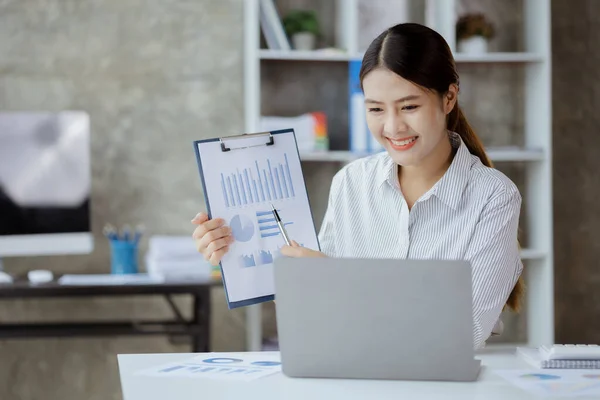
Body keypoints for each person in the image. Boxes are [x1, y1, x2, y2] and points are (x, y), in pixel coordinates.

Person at [191, 22, 524, 350]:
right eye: (376, 109)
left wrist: (336, 279)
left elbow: (464, 330)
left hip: (438, 382)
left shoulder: (494, 197)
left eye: (409, 106)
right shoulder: (351, 182)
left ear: (449, 97)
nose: (393, 127)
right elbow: (312, 309)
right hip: (349, 372)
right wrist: (234, 254)